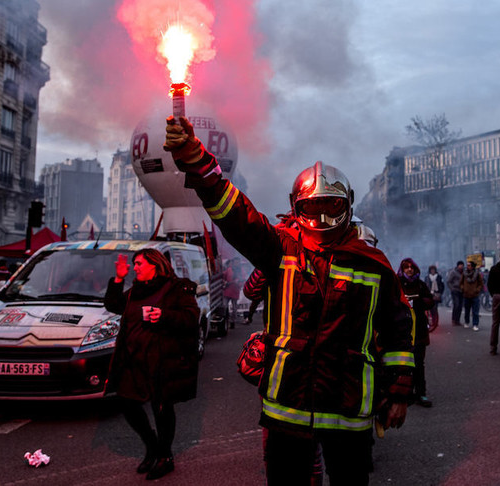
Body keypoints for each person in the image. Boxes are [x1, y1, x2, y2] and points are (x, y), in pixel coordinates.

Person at [164, 116, 415, 486]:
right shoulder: (278, 248)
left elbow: (398, 331)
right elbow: (233, 211)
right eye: (312, 208)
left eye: (331, 206)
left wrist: (399, 393)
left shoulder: (370, 262)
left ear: (349, 205)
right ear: (295, 207)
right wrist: (194, 157)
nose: (323, 217)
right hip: (287, 405)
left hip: (348, 408)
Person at [104, 248, 200, 480]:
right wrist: (118, 278)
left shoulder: (176, 288)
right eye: (134, 264)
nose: (134, 268)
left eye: (139, 264)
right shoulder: (135, 291)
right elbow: (113, 305)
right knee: (127, 404)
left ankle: (165, 457)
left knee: (162, 408)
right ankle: (152, 446)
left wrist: (164, 316)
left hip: (161, 361)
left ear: (154, 265)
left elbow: (191, 317)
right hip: (132, 360)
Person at [397, 258, 435, 408]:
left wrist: (419, 301)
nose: (409, 270)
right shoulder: (396, 284)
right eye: (406, 267)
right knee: (403, 364)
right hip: (402, 331)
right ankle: (405, 394)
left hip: (419, 330)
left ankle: (421, 393)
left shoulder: (420, 285)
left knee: (419, 363)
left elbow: (430, 301)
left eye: (412, 267)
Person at [460, 261, 484, 332]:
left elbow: (480, 283)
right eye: (467, 265)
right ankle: (467, 322)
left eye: (469, 265)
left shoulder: (477, 274)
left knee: (475, 311)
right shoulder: (464, 274)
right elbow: (461, 283)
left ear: (473, 266)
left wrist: (477, 289)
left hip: (475, 295)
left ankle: (475, 324)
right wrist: (463, 288)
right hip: (466, 294)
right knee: (467, 310)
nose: (468, 267)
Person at [424, 265, 444, 332]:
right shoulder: (427, 278)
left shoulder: (439, 277)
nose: (432, 271)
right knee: (431, 308)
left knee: (435, 308)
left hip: (436, 294)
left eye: (433, 270)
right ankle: (432, 320)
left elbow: (442, 285)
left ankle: (435, 321)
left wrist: (440, 292)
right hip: (429, 294)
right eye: (431, 270)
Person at [447, 261, 465, 326]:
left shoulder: (464, 273)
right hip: (455, 290)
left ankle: (458, 320)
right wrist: (452, 288)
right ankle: (454, 319)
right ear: (458, 266)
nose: (461, 267)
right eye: (460, 265)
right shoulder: (453, 272)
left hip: (462, 291)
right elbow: (449, 281)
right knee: (456, 305)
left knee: (460, 306)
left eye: (462, 265)